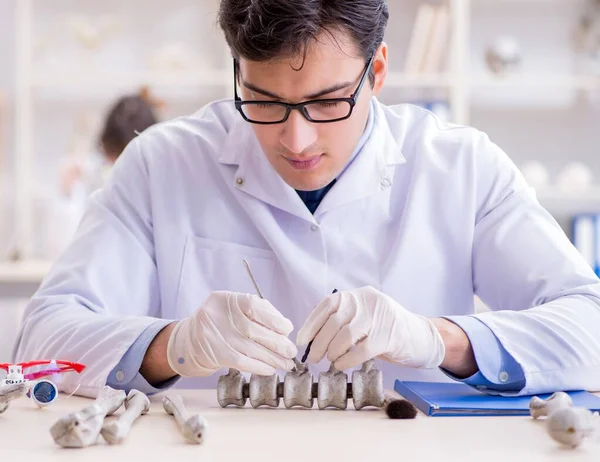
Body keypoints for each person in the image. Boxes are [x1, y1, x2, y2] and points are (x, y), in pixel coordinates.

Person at [12, 0, 600, 398]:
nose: (296, 140)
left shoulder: (461, 167)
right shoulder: (160, 164)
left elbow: (589, 328)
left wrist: (437, 339)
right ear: (238, 73)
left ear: (377, 73)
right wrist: (173, 346)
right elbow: (39, 342)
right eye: (262, 100)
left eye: (327, 102)